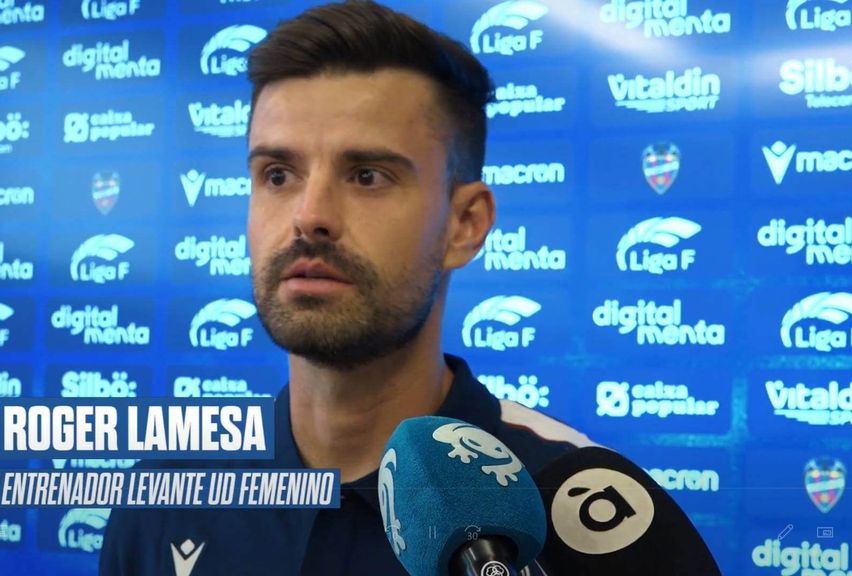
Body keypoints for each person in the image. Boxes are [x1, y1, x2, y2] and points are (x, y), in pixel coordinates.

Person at [100, 2, 716, 574]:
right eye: (278, 174)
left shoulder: (583, 510)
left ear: (464, 224)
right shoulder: (166, 497)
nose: (308, 215)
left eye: (367, 175)